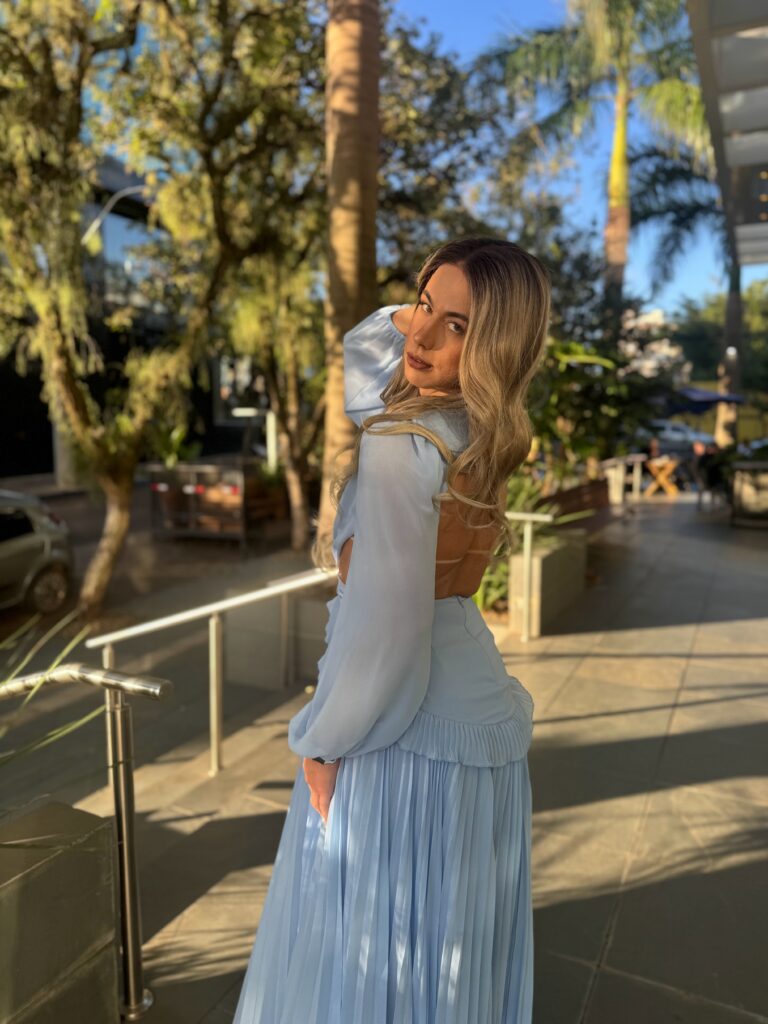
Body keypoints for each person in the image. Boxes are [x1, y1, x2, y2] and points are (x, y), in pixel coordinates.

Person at [233, 237, 552, 1024]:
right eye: (423, 308)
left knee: (372, 961)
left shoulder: (403, 444)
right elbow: (372, 356)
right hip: (479, 723)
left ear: (495, 344)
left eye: (457, 326)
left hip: (402, 737)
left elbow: (385, 632)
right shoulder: (478, 428)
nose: (420, 335)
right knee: (450, 957)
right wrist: (441, 310)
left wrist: (320, 742)